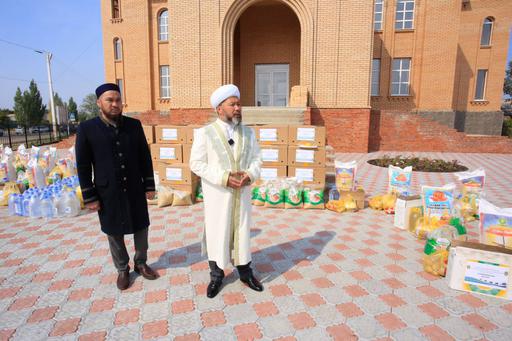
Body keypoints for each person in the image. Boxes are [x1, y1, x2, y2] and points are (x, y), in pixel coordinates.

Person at [75, 83, 158, 290]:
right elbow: (83, 166)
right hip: (107, 190)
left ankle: (141, 263)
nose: (114, 104)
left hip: (134, 187)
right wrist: (90, 197)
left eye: (117, 100)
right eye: (109, 100)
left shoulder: (134, 125)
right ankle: (122, 268)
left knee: (141, 226)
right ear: (99, 103)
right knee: (113, 230)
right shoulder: (86, 129)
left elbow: (144, 157)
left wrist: (149, 185)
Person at [190, 84, 263, 298]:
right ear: (219, 109)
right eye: (233, 104)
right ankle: (216, 276)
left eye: (239, 103)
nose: (238, 107)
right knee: (217, 233)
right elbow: (196, 163)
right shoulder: (205, 133)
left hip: (242, 196)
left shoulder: (248, 133)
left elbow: (258, 159)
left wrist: (250, 174)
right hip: (218, 196)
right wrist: (224, 178)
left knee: (241, 233)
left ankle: (245, 272)